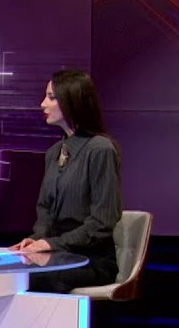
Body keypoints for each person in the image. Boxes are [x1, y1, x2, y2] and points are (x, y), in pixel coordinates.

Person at [9, 69, 122, 293]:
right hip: (57, 255)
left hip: (90, 260)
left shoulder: (100, 149)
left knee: (30, 279)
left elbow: (102, 222)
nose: (43, 104)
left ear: (72, 101)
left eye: (51, 97)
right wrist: (35, 240)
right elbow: (45, 214)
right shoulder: (53, 153)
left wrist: (52, 244)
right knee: (8, 270)